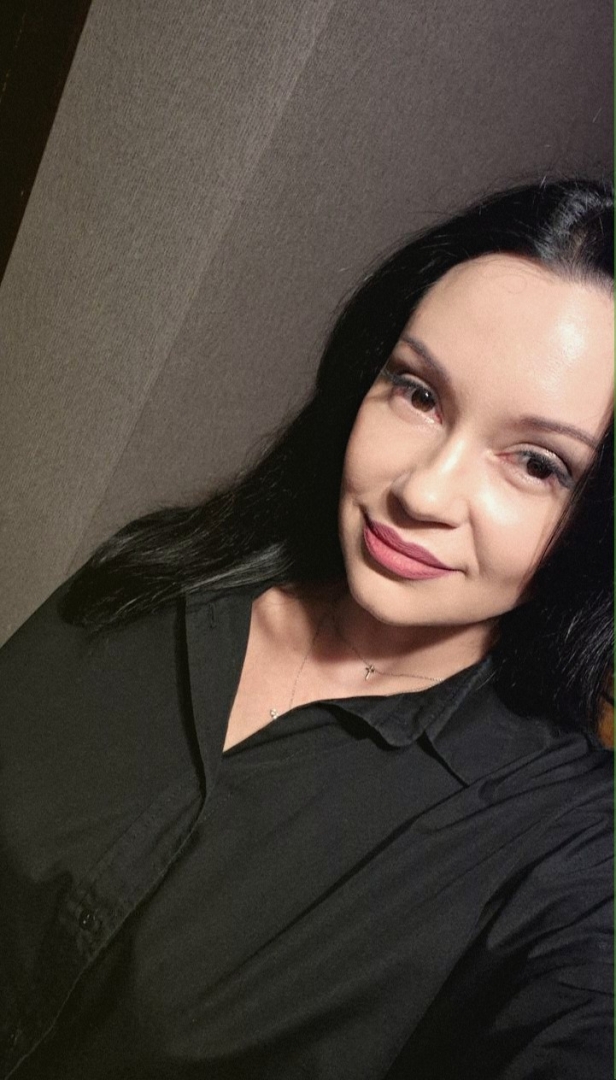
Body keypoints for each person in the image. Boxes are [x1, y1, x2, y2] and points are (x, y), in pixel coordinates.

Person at [0, 178, 613, 1080]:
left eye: (536, 463)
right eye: (419, 394)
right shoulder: (156, 581)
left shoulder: (561, 844)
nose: (424, 491)